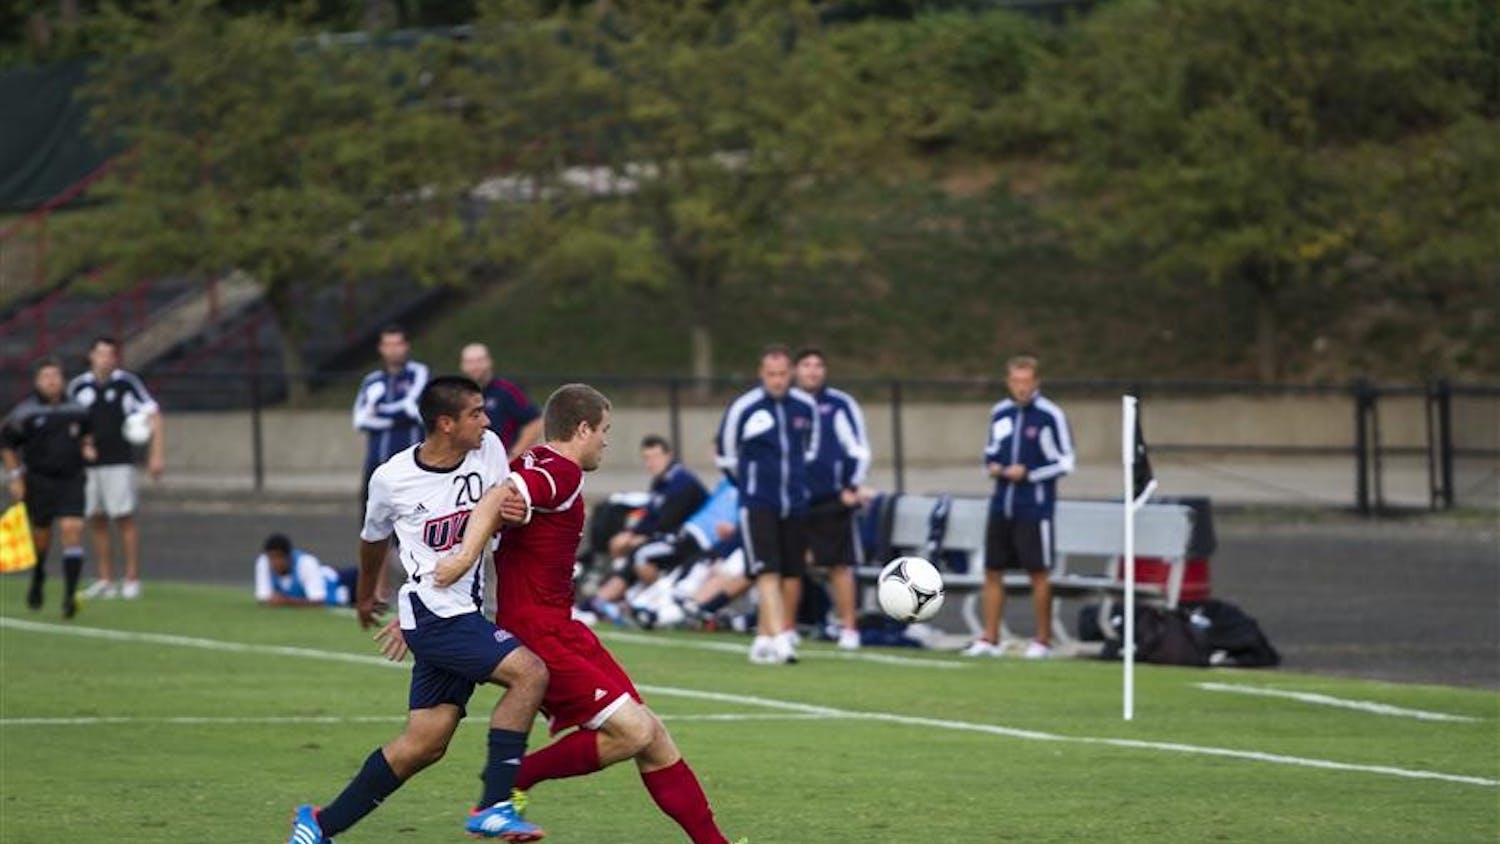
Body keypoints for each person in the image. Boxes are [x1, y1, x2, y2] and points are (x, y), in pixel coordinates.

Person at [433, 384, 739, 844]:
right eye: (604, 430)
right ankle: (514, 780)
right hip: (539, 633)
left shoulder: (532, 461)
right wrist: (459, 561)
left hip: (561, 626)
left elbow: (501, 498)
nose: (605, 441)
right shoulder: (563, 472)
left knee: (650, 733)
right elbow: (500, 498)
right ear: (581, 429)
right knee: (634, 731)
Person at [287, 376, 548, 843]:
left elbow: (502, 506)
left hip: (451, 615)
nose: (487, 421)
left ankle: (319, 825)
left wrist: (516, 512)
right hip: (437, 617)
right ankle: (494, 805)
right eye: (476, 413)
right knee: (530, 674)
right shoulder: (391, 479)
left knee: (423, 746)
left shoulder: (487, 449)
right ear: (445, 424)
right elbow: (372, 540)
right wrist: (368, 594)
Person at [964, 355, 1075, 660]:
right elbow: (989, 452)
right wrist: (994, 467)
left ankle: (1042, 640)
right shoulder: (1000, 412)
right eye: (1016, 381)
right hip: (1002, 503)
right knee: (993, 570)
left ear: (1036, 383)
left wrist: (1030, 473)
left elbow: (1066, 461)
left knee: (1037, 572)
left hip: (1034, 506)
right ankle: (990, 637)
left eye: (1026, 382)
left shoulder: (1049, 415)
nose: (1021, 388)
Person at [715, 344, 819, 664]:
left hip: (795, 503)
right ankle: (780, 637)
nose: (777, 380)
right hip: (759, 502)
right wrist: (749, 485)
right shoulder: (744, 408)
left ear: (791, 374)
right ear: (762, 374)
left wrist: (796, 482)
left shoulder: (804, 406)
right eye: (771, 374)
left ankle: (763, 636)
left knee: (790, 572)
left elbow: (809, 450)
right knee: (767, 570)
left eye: (783, 374)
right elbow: (726, 454)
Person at [66, 336, 163, 600]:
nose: (105, 359)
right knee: (96, 519)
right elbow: (69, 423)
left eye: (110, 354)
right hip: (89, 466)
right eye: (101, 354)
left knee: (124, 518)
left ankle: (132, 578)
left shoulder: (126, 383)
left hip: (119, 461)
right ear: (91, 356)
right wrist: (82, 445)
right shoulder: (79, 387)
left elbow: (153, 413)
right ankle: (105, 579)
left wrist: (156, 454)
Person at [793, 347, 873, 650]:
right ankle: (788, 627)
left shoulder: (839, 404)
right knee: (792, 565)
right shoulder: (788, 404)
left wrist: (851, 486)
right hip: (796, 499)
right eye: (806, 365)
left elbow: (858, 448)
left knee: (839, 564)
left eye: (818, 365)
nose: (812, 371)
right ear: (796, 370)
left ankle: (849, 628)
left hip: (831, 498)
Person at [2, 357, 94, 618]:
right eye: (46, 376)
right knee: (41, 536)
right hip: (40, 480)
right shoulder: (26, 412)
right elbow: (7, 444)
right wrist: (15, 477)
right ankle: (39, 574)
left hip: (72, 478)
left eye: (56, 375)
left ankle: (69, 596)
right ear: (37, 381)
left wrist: (88, 446)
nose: (52, 381)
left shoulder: (78, 409)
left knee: (71, 528)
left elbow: (87, 433)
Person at [587, 435, 708, 620]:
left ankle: (655, 602)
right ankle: (606, 599)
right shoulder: (659, 481)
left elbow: (668, 522)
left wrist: (639, 538)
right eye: (647, 458)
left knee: (641, 553)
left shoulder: (683, 482)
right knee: (620, 543)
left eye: (655, 457)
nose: (651, 463)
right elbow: (650, 515)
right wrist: (631, 534)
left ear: (669, 455)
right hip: (666, 536)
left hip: (685, 542)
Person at [352, 324, 429, 502]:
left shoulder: (419, 373)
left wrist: (379, 411)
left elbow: (414, 410)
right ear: (381, 348)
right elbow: (360, 420)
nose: (393, 350)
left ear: (406, 346)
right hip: (377, 464)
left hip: (411, 467)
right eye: (388, 344)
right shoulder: (372, 381)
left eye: (398, 344)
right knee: (370, 524)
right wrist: (398, 417)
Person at [460, 342, 542, 460]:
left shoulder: (507, 391)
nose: (475, 366)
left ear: (489, 362)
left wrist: (513, 456)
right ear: (463, 365)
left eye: (480, 360)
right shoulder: (457, 394)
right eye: (470, 362)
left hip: (502, 462)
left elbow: (534, 422)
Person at [253, 533, 358, 608]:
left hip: (345, 583)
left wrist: (286, 602)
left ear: (288, 556)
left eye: (279, 557)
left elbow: (318, 601)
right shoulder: (264, 562)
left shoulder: (306, 563)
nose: (275, 562)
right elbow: (264, 599)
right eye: (272, 558)